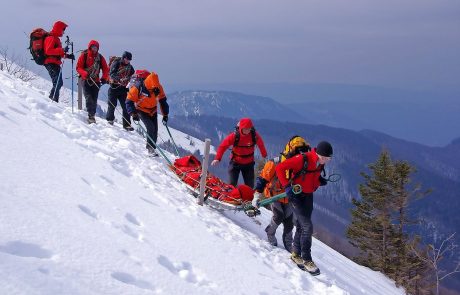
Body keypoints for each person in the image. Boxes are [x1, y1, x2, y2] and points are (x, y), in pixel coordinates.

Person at [275, 140, 333, 275]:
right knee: (307, 227)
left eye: (329, 159)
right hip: (296, 195)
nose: (327, 161)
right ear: (318, 154)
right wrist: (287, 186)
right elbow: (280, 168)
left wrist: (319, 181)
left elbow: (310, 176)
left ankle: (296, 254)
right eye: (325, 158)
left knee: (302, 226)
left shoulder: (319, 163)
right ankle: (307, 259)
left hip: (308, 196)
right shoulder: (303, 159)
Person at [252, 136, 310, 252]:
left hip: (288, 197)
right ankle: (270, 232)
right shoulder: (274, 163)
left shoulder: (299, 166)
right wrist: (257, 195)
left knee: (289, 221)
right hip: (274, 195)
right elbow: (262, 179)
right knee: (278, 216)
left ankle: (288, 243)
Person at [211, 118, 267, 188]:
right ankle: (230, 197)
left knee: (249, 186)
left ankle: (248, 198)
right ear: (241, 128)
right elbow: (223, 146)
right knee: (232, 184)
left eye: (249, 128)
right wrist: (217, 158)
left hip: (249, 164)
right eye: (245, 129)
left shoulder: (254, 135)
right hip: (235, 163)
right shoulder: (235, 136)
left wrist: (264, 155)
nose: (248, 131)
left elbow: (261, 144)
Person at [126, 70, 169, 156]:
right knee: (150, 128)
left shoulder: (158, 87)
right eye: (152, 89)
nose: (154, 91)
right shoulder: (138, 87)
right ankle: (150, 149)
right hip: (141, 110)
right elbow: (129, 101)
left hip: (153, 110)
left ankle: (152, 148)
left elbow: (163, 101)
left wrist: (165, 115)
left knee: (155, 130)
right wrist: (133, 113)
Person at [76, 40, 109, 124]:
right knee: (89, 97)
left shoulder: (100, 57)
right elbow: (78, 67)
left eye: (96, 47)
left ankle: (92, 115)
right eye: (93, 47)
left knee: (94, 99)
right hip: (85, 80)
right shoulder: (84, 55)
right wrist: (85, 73)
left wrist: (104, 78)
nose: (94, 49)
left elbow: (105, 69)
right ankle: (91, 116)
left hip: (96, 81)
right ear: (90, 47)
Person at [43, 21, 74, 102]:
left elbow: (58, 53)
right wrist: (62, 49)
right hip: (50, 63)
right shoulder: (51, 38)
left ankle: (53, 99)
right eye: (63, 30)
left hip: (55, 63)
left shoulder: (56, 39)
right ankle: (52, 100)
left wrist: (67, 56)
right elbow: (48, 51)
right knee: (57, 83)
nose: (64, 32)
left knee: (58, 83)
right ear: (59, 29)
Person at [106, 51, 135, 130]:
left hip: (123, 89)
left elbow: (133, 75)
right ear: (123, 57)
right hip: (113, 87)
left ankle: (127, 125)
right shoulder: (116, 63)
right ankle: (110, 120)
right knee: (112, 104)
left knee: (125, 106)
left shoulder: (130, 67)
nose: (127, 61)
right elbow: (112, 74)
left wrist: (130, 80)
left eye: (129, 60)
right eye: (126, 59)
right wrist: (120, 79)